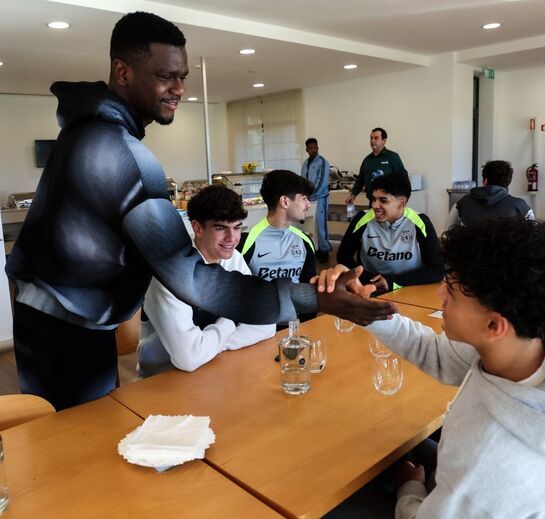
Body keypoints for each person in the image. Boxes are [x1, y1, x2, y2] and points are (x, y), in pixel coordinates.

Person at [5, 11, 394, 410]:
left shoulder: (86, 129)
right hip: (67, 327)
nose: (179, 89)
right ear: (122, 72)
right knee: (81, 445)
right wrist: (317, 300)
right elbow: (193, 279)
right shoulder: (119, 152)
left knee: (75, 444)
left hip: (54, 318)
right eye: (165, 76)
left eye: (183, 76)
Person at [325, 219, 545, 517]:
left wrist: (410, 490)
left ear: (493, 324)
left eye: (450, 291)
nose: (440, 295)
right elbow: (437, 354)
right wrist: (366, 312)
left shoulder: (485, 454)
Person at [138, 185, 275, 377]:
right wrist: (232, 321)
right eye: (221, 228)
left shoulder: (233, 258)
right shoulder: (168, 273)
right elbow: (188, 358)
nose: (232, 238)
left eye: (237, 227)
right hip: (163, 380)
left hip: (216, 367)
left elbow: (266, 322)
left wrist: (207, 345)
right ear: (197, 228)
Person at [337, 172, 442, 293]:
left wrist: (393, 281)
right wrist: (372, 281)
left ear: (402, 203)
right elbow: (343, 257)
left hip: (408, 289)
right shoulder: (362, 219)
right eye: (374, 199)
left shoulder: (420, 223)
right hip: (370, 289)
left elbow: (437, 270)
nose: (375, 205)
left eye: (383, 200)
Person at [240, 170, 317, 323]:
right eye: (303, 198)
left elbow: (310, 294)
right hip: (255, 329)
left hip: (294, 329)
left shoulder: (305, 241)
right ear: (285, 202)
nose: (308, 204)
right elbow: (236, 294)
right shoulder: (246, 241)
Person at [444, 159, 534, 229]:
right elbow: (533, 240)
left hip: (470, 252)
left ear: (485, 180)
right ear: (508, 182)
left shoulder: (461, 204)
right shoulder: (521, 207)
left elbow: (447, 235)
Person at [345, 127, 407, 204]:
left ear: (384, 141)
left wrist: (402, 198)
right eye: (371, 138)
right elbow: (360, 180)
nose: (372, 141)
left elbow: (403, 178)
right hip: (373, 202)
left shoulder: (392, 157)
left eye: (376, 138)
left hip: (390, 203)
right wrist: (353, 195)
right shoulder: (367, 160)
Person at [301, 137, 331, 262]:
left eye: (315, 148)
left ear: (317, 148)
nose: (313, 150)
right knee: (310, 226)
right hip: (308, 199)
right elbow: (302, 180)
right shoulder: (305, 163)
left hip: (319, 198)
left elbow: (322, 182)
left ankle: (324, 251)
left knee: (320, 225)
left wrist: (310, 193)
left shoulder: (323, 162)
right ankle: (316, 249)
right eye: (310, 148)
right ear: (306, 149)